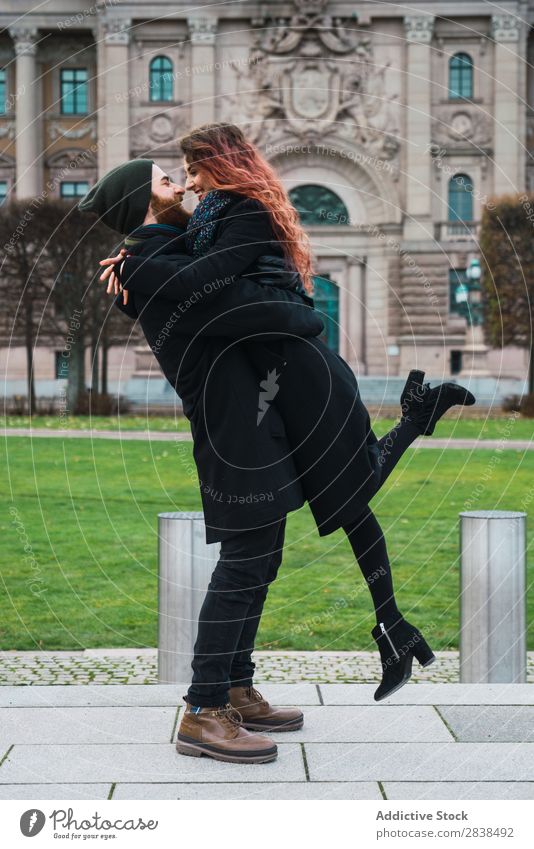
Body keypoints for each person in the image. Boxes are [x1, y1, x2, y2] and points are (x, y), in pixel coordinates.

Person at [95, 126, 476, 763]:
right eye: (167, 181)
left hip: (251, 416)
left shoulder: (168, 250)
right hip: (233, 428)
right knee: (245, 561)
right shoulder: (147, 267)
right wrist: (305, 316)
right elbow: (246, 305)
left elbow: (229, 274)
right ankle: (204, 709)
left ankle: (235, 687)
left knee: (262, 555)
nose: (183, 184)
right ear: (143, 205)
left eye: (186, 173)